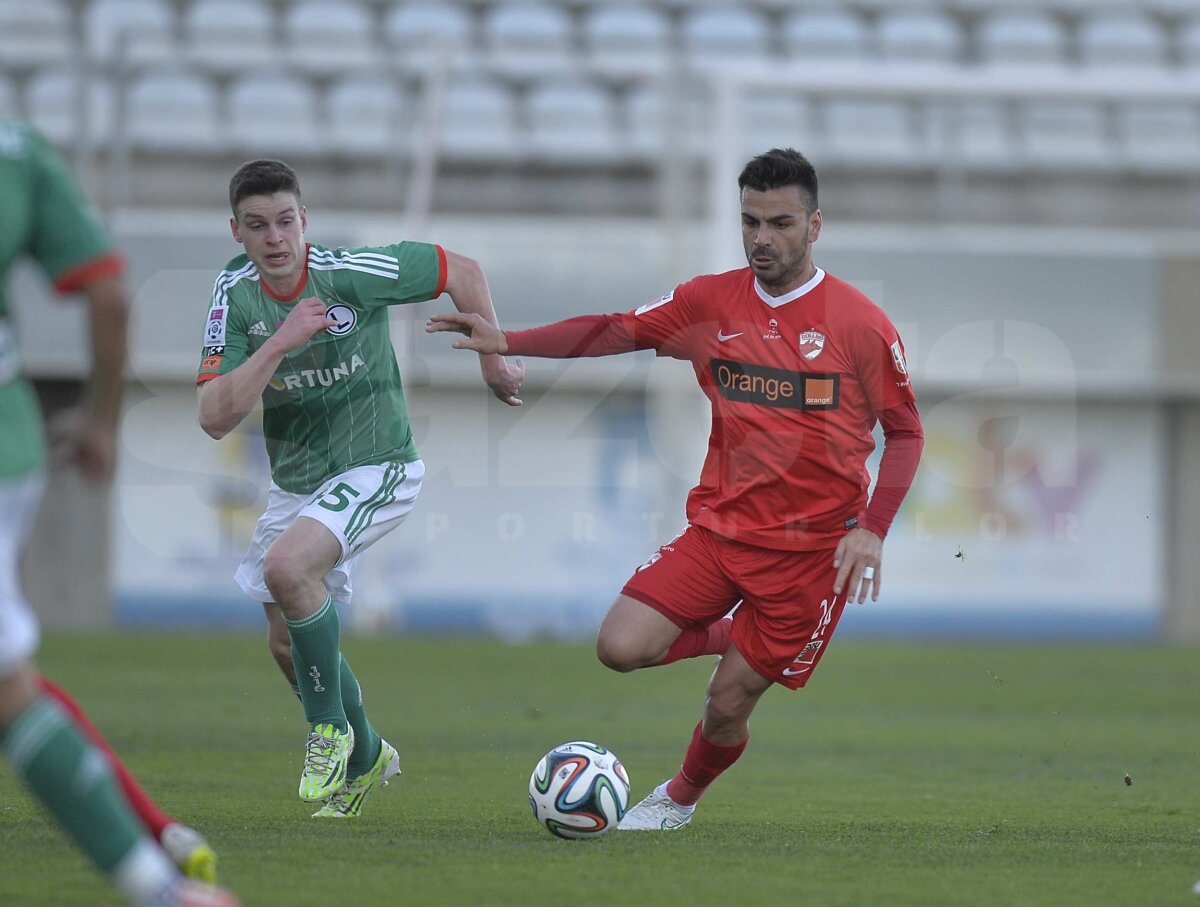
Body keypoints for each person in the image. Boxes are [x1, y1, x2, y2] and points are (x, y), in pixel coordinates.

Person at [427, 148, 924, 830]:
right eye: (749, 221)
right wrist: (507, 337)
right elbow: (615, 329)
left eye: (779, 223)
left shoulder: (859, 324)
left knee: (726, 706)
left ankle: (678, 798)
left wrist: (873, 527)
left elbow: (907, 432)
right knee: (620, 646)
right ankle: (734, 635)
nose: (761, 239)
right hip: (719, 532)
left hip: (810, 559)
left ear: (815, 225)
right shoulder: (708, 302)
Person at [197, 159, 523, 817]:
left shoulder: (352, 272)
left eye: (285, 221)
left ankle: (329, 732)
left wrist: (493, 356)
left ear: (304, 221)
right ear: (237, 231)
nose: (275, 238)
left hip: (379, 464)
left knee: (289, 568)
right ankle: (370, 751)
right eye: (257, 225)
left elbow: (462, 271)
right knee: (286, 640)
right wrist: (280, 344)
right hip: (299, 481)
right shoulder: (234, 295)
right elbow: (214, 415)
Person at [0, 118, 237, 905]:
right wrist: (102, 419)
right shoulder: (16, 151)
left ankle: (156, 871)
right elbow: (108, 294)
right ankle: (158, 863)